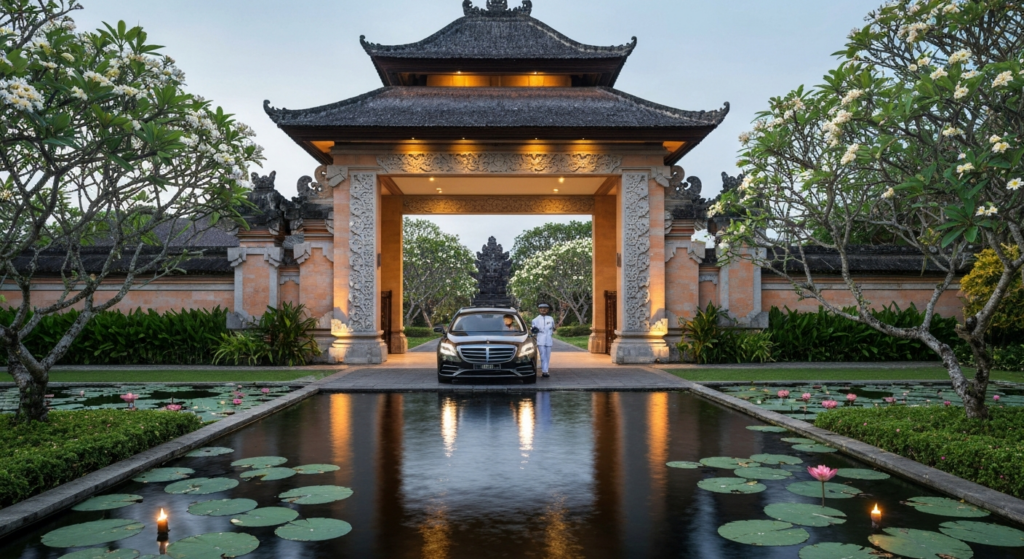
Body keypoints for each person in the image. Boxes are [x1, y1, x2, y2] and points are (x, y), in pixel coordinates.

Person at [531, 303, 555, 378]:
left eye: (545, 308)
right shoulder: (535, 320)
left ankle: (546, 370)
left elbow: (553, 327)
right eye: (541, 308)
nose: (543, 310)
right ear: (539, 309)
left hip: (548, 339)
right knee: (543, 355)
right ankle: (544, 371)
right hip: (540, 339)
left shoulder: (550, 319)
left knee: (547, 356)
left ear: (548, 310)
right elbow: (533, 330)